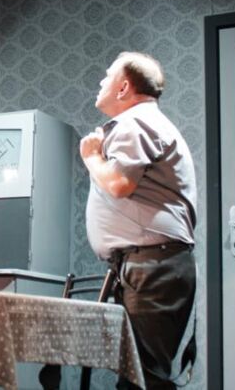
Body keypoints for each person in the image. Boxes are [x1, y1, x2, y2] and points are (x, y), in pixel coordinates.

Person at [80, 52, 197, 390]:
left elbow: (119, 183)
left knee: (142, 380)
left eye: (107, 76)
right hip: (152, 265)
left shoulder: (135, 123)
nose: (101, 81)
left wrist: (91, 156)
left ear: (123, 88)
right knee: (142, 376)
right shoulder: (145, 122)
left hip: (151, 267)